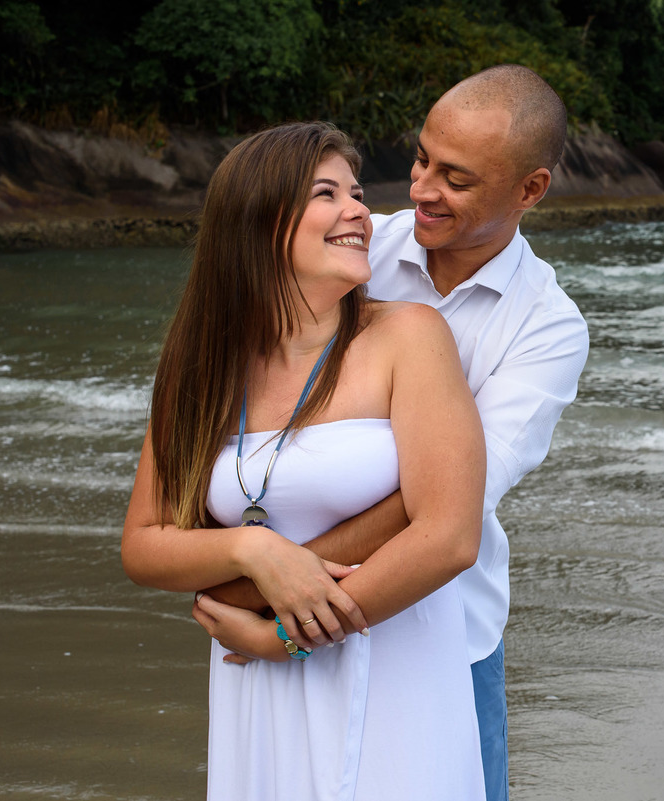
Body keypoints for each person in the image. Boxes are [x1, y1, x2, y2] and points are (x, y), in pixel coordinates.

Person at [200, 64, 590, 801]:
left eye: (457, 178)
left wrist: (277, 598)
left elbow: (447, 505)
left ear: (529, 190)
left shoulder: (546, 327)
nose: (419, 189)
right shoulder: (359, 245)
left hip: (443, 622)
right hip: (287, 606)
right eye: (421, 158)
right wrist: (262, 570)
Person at [121, 121, 488, 800]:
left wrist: (291, 638)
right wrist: (255, 551)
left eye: (355, 191)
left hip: (392, 666)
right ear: (260, 222)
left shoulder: (407, 336)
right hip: (253, 686)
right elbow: (144, 545)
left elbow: (449, 535)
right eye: (328, 193)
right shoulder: (201, 366)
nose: (360, 209)